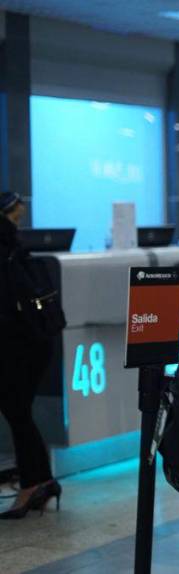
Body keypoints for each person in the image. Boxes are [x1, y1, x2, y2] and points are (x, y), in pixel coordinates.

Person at [0, 192, 62, 519]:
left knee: (16, 410)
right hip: (33, 338)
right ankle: (41, 482)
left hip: (17, 341)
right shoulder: (13, 246)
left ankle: (32, 484)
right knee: (18, 411)